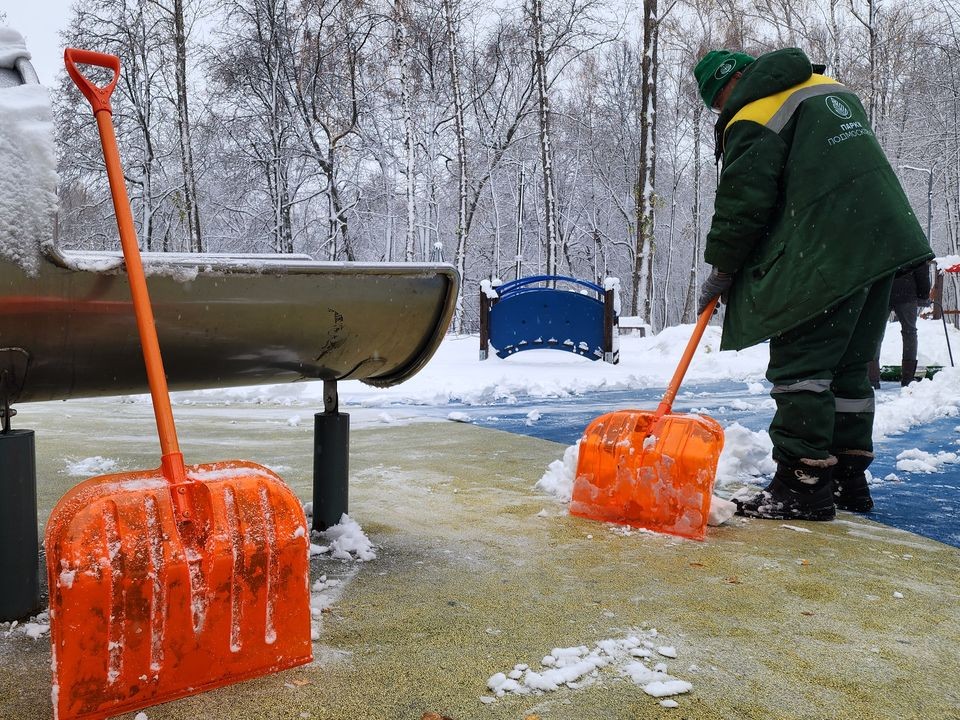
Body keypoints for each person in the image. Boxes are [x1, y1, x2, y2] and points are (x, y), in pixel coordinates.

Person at [693, 48, 933, 521]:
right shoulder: (829, 90)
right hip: (882, 241)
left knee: (802, 362)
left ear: (730, 84)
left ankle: (801, 485)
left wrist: (722, 268)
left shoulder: (756, 110)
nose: (723, 112)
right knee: (847, 367)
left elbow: (744, 200)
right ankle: (847, 478)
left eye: (719, 103)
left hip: (826, 246)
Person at [867, 262, 932, 388]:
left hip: (882, 290)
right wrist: (923, 294)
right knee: (910, 333)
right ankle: (908, 379)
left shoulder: (879, 241)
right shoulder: (913, 242)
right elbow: (921, 267)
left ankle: (872, 378)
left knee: (875, 332)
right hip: (906, 291)